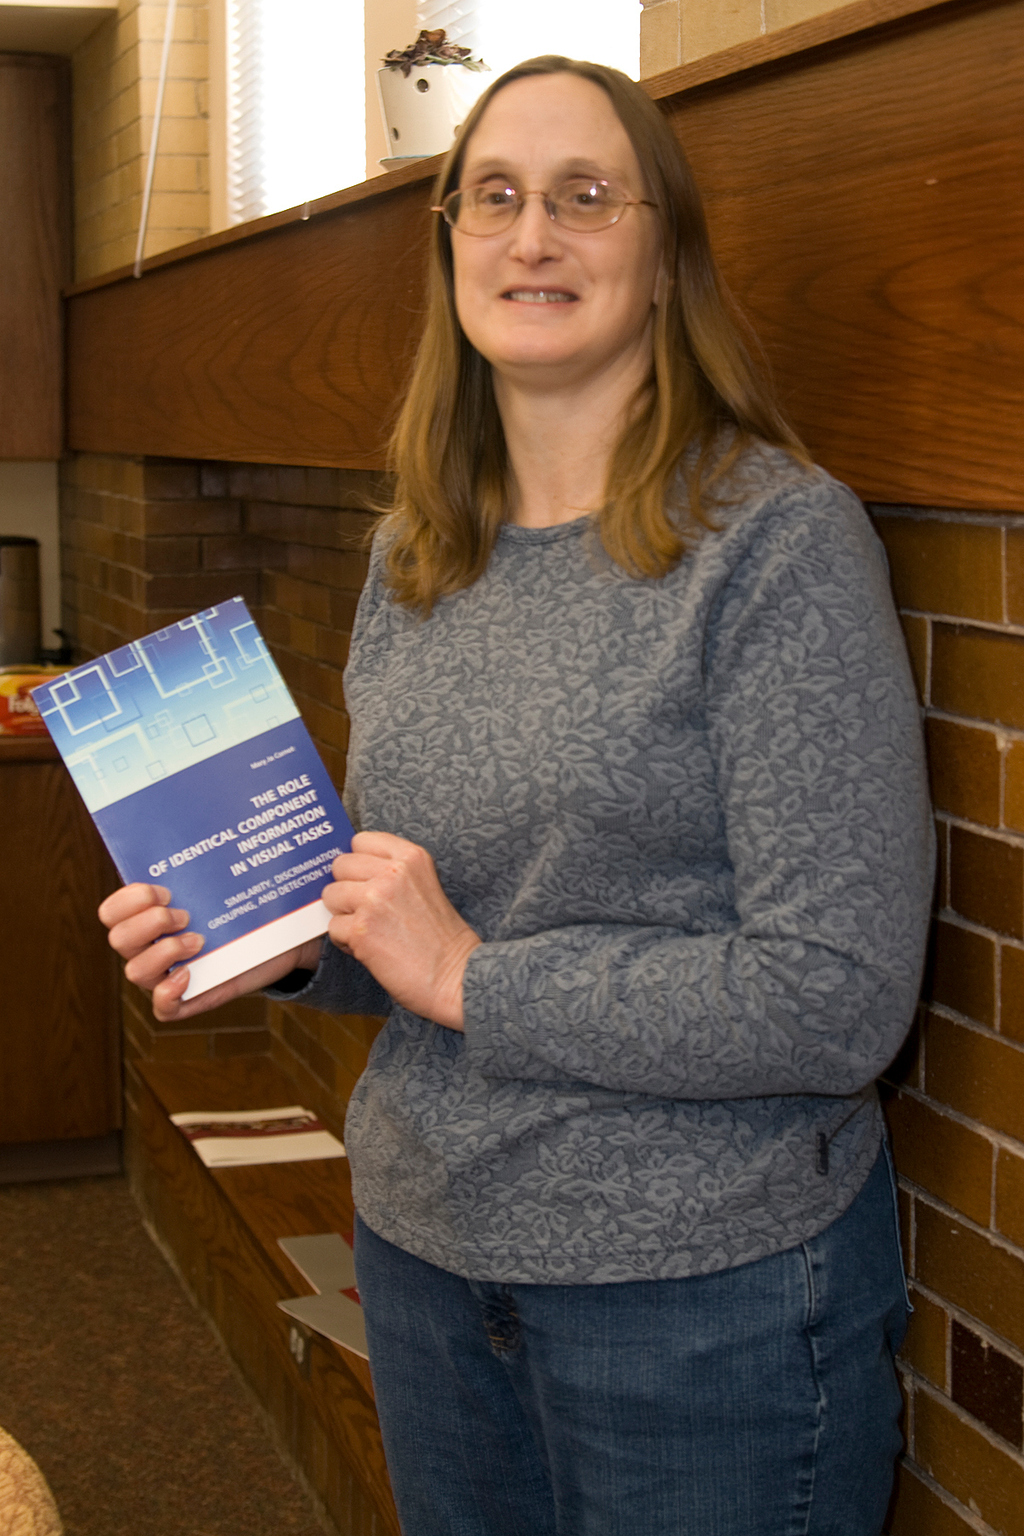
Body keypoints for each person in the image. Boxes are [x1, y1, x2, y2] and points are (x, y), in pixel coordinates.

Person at [100, 56, 934, 1536]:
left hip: (699, 1309)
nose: (531, 237)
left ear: (664, 253)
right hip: (427, 1263)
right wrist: (278, 939)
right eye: (493, 198)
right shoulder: (417, 557)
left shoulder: (774, 544)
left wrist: (477, 981)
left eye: (584, 198)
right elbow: (406, 939)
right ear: (450, 244)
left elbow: (835, 994)